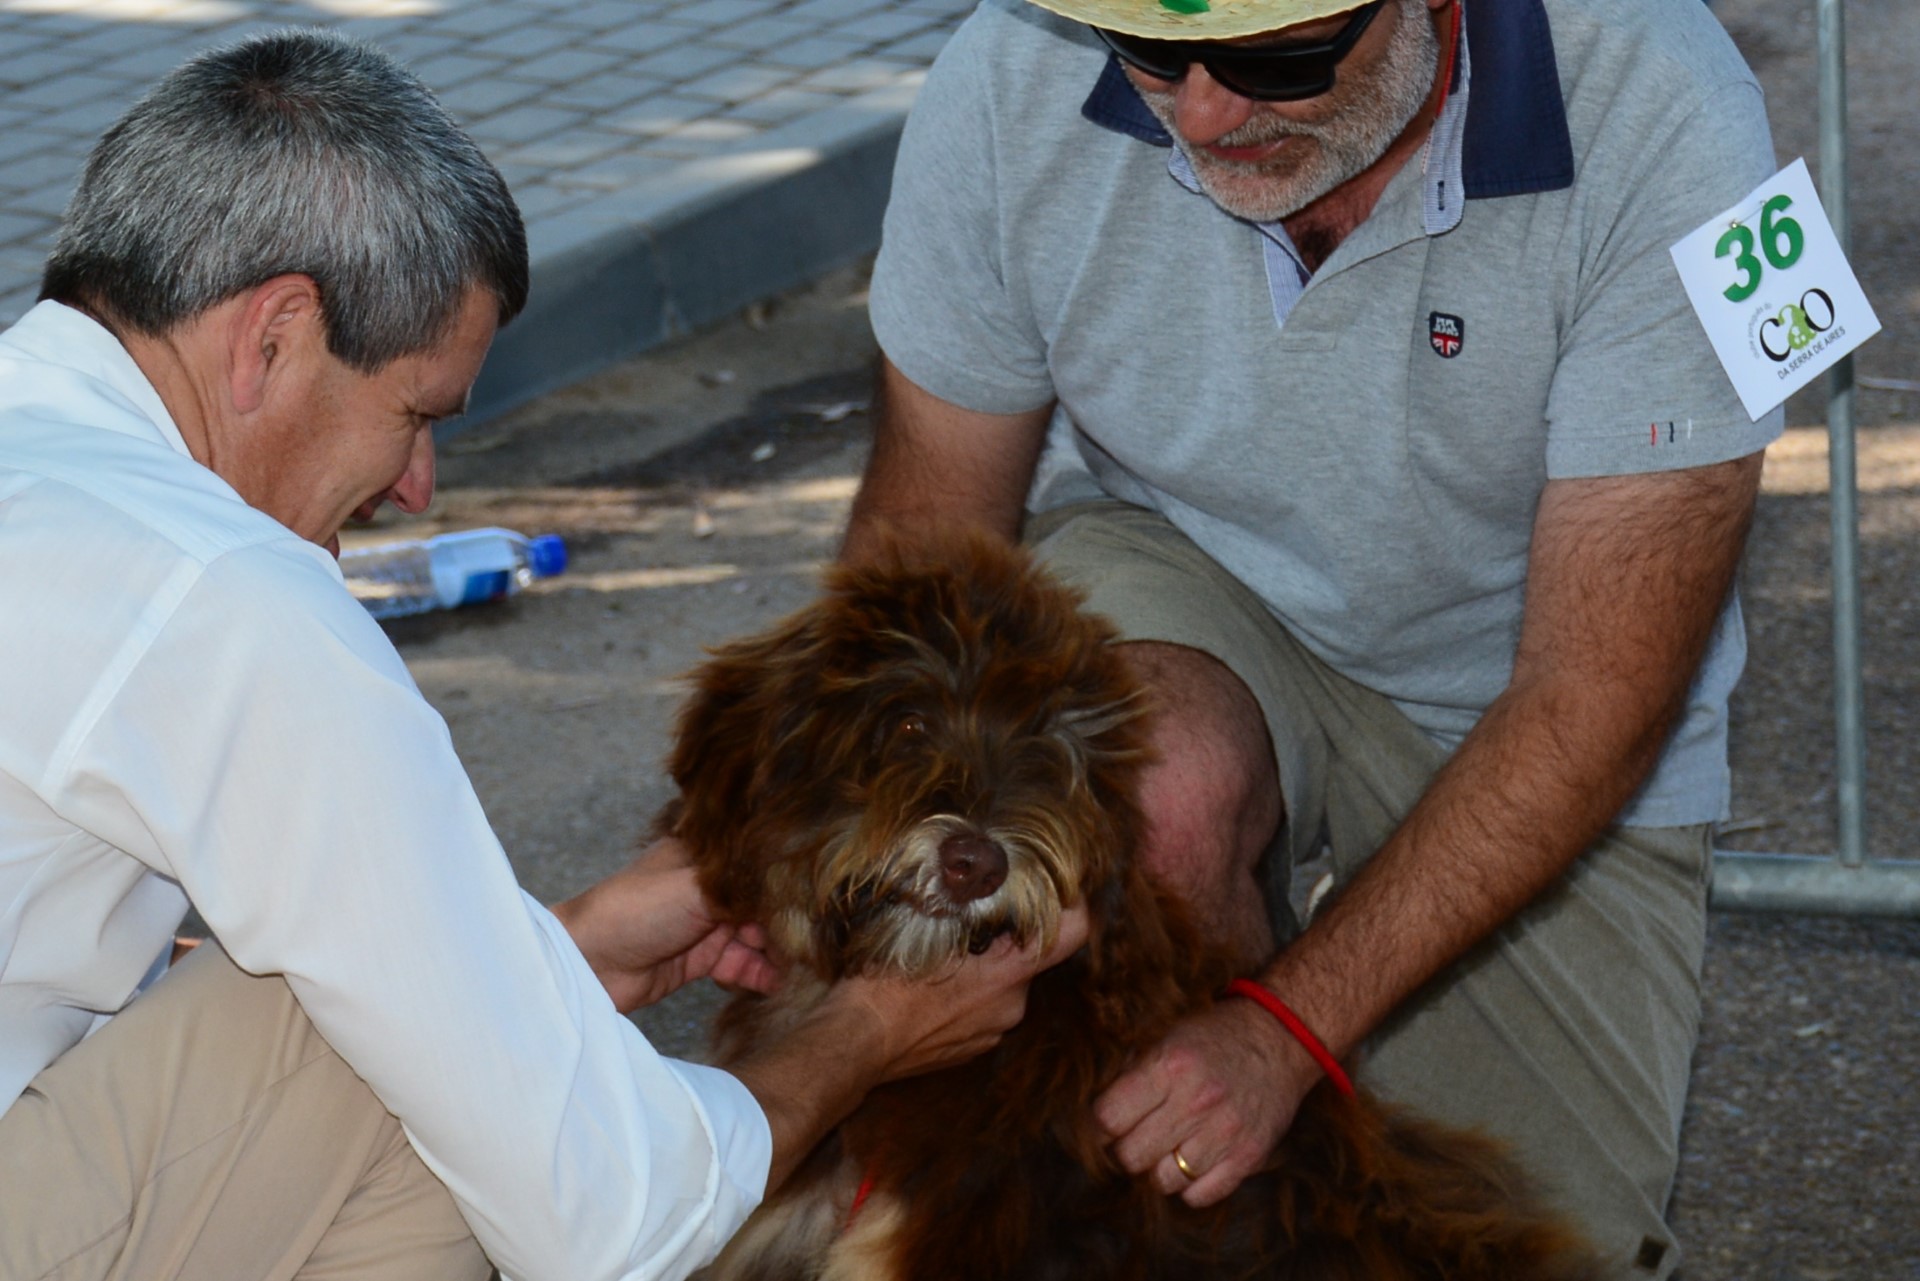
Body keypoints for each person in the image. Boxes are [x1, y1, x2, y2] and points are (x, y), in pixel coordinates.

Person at [0, 29, 1085, 1281]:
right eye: (414, 415)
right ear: (275, 335)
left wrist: (551, 950)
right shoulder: (223, 594)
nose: (416, 488)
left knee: (384, 1026)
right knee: (411, 1085)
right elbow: (606, 1215)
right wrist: (866, 1033)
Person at [845, 0, 1782, 1275]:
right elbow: (923, 545)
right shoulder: (1011, 68)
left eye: (1276, 57)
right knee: (1152, 797)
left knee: (1512, 1244)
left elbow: (1600, 693)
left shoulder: (1675, 111)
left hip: (1525, 687)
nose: (1203, 116)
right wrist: (819, 860)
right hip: (1186, 576)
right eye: (1154, 55)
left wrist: (1286, 1025)